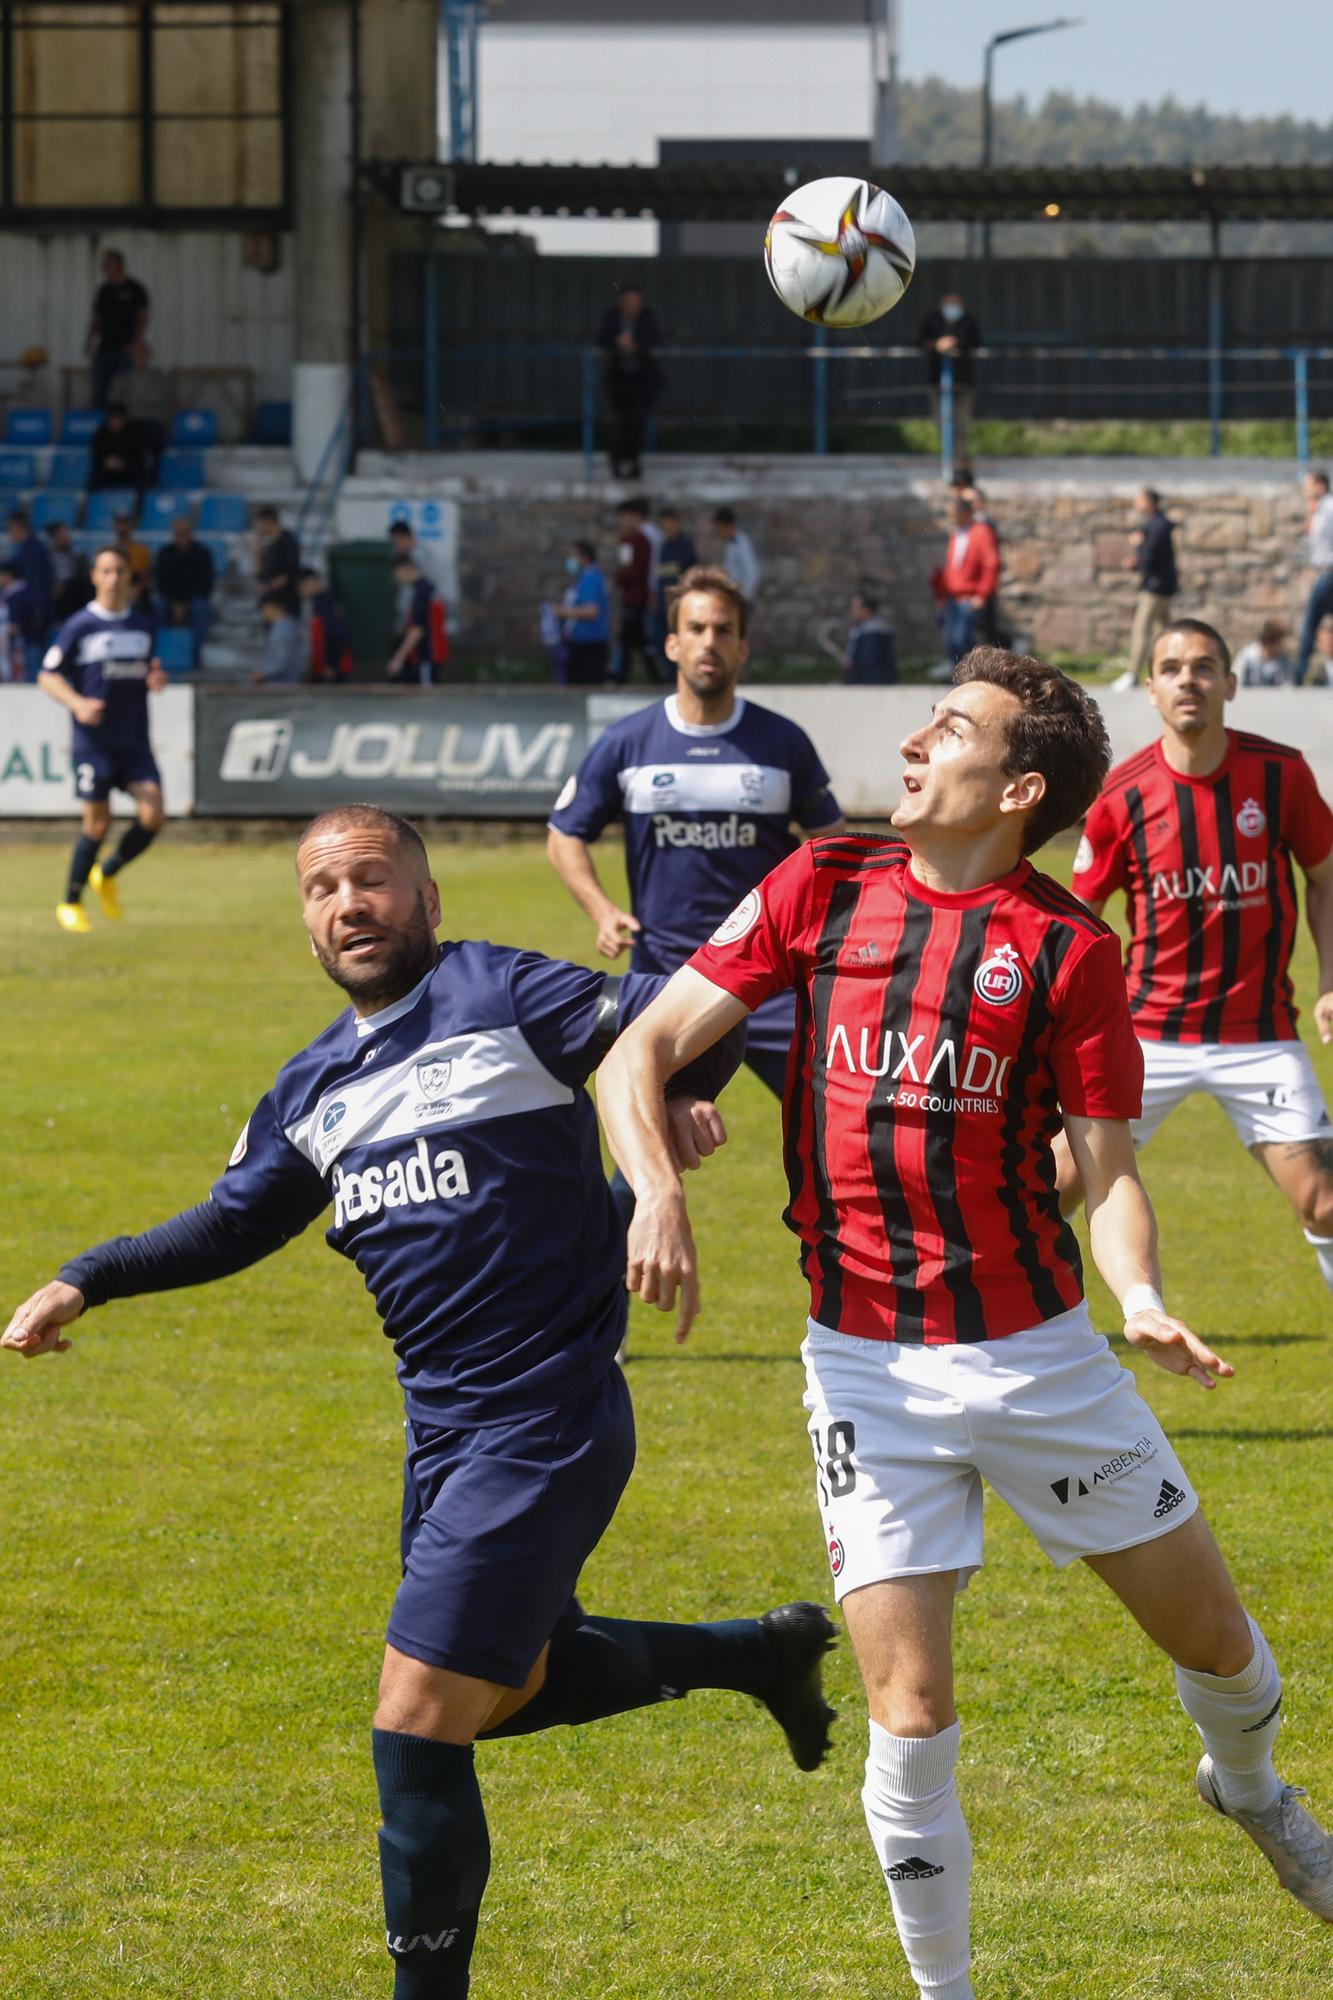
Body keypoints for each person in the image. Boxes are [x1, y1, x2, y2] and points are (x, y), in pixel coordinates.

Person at [1, 802, 837, 1999]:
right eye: (323, 886)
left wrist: (657, 1119)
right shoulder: (312, 1086)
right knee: (505, 1691)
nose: (350, 903)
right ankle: (757, 1652)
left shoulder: (501, 991)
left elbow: (679, 1021)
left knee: (416, 1716)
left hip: (547, 1416)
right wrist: (88, 1274)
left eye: (375, 879)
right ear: (304, 917)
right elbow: (235, 1221)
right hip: (442, 1429)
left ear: (427, 897)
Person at [597, 647, 1333, 2000]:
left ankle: (1248, 1789)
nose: (918, 743)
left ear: (1021, 785)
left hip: (1041, 1362)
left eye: (952, 728)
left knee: (1220, 1652)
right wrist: (653, 1190)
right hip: (862, 1372)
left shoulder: (1067, 950)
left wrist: (1146, 1299)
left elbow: (1106, 1171)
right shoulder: (822, 882)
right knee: (910, 1714)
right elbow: (636, 1050)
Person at [1064, 616, 1333, 1299]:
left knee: (1325, 1203)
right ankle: (1017, 1345)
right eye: (1172, 668)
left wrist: (1331, 979)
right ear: (1150, 689)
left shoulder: (1279, 775)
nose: (1189, 678)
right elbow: (1074, 921)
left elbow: (1325, 876)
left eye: (1205, 666)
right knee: (1049, 1189)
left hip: (1260, 1036)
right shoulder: (1121, 794)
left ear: (1230, 684)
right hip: (1144, 1038)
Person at [547, 562, 845, 1108]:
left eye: (724, 630)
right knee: (647, 1141)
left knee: (833, 1125)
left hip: (773, 979)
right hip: (668, 978)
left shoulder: (783, 743)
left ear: (742, 647)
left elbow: (832, 847)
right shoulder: (627, 742)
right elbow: (565, 833)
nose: (710, 641)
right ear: (672, 644)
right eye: (697, 628)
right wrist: (601, 910)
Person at [37, 545, 165, 934]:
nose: (112, 579)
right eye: (105, 571)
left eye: (119, 571)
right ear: (94, 576)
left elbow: (150, 671)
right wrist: (77, 703)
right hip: (93, 743)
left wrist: (155, 680)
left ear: (130, 577)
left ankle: (106, 872)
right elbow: (48, 675)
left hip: (135, 740)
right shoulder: (80, 625)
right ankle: (70, 902)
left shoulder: (143, 625)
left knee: (154, 816)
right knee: (97, 824)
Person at [1112, 488, 1179, 692]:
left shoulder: (1157, 525)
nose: (1136, 503)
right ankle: (1171, 670)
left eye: (1139, 499)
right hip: (1162, 585)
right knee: (1164, 631)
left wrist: (1138, 548)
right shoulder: (1156, 524)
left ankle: (1133, 674)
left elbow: (1150, 558)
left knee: (1142, 630)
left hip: (1155, 587)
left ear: (1149, 502)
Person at [597, 280, 662, 479]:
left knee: (637, 423)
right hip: (618, 380)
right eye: (629, 302)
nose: (633, 306)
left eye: (636, 302)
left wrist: (636, 346)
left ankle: (633, 463)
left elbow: (655, 340)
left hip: (642, 380)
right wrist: (617, 342)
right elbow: (601, 339)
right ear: (621, 303)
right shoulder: (612, 318)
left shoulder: (647, 317)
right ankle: (618, 462)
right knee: (619, 423)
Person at [916, 292, 982, 465]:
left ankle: (958, 462)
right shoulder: (932, 320)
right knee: (942, 423)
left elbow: (976, 341)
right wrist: (937, 345)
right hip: (938, 382)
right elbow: (920, 342)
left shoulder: (968, 321)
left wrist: (956, 342)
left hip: (963, 382)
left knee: (961, 426)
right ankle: (949, 461)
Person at [932, 495, 999, 666]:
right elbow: (952, 568)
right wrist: (941, 595)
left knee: (962, 639)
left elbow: (991, 563)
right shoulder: (957, 535)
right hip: (952, 597)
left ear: (964, 513)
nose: (951, 518)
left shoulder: (980, 532)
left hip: (969, 596)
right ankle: (956, 680)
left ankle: (977, 673)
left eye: (953, 514)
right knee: (951, 641)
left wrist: (982, 594)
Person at [85, 248, 150, 412]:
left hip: (126, 349)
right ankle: (100, 428)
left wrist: (137, 341)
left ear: (119, 265)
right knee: (100, 390)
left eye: (108, 264)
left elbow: (142, 316)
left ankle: (125, 429)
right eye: (104, 265)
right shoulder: (104, 290)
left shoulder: (135, 288)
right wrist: (89, 340)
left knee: (124, 392)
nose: (104, 268)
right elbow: (96, 317)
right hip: (105, 348)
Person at [608, 496, 662, 686]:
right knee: (635, 639)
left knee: (631, 638)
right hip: (631, 596)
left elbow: (640, 569)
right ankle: (651, 675)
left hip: (640, 596)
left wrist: (620, 578)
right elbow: (625, 566)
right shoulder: (628, 539)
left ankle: (621, 675)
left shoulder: (644, 539)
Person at [154, 514, 215, 664]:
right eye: (178, 533)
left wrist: (185, 604)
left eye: (185, 533)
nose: (182, 537)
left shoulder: (203, 553)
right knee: (159, 605)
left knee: (200, 608)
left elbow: (206, 584)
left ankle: (194, 656)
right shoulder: (164, 553)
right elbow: (160, 582)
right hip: (170, 600)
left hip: (194, 599)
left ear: (191, 533)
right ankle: (160, 654)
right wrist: (175, 603)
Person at [1296, 470, 1333, 685]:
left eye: (1308, 484)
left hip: (1329, 573)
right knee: (1312, 625)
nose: (1305, 490)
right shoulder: (1318, 509)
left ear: (1321, 485)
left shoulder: (1329, 507)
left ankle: (1299, 675)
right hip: (1324, 572)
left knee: (1310, 624)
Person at [387, 554, 448, 685]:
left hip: (427, 655)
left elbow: (417, 629)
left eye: (396, 574)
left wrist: (398, 658)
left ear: (405, 569)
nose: (397, 579)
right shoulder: (430, 589)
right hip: (433, 653)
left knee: (426, 699)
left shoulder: (421, 594)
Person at [557, 539, 610, 686]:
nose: (570, 561)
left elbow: (592, 611)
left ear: (584, 558)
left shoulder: (590, 578)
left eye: (573, 556)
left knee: (586, 688)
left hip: (589, 643)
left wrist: (563, 612)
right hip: (583, 642)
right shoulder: (585, 578)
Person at [8, 507, 54, 678]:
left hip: (34, 616)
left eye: (11, 529)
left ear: (19, 527)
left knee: (36, 658)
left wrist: (37, 613)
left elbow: (36, 585)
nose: (10, 534)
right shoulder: (28, 548)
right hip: (34, 613)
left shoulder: (32, 550)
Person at [821, 589, 897, 685]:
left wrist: (850, 663)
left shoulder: (873, 632)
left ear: (866, 611)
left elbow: (868, 664)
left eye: (855, 607)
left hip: (873, 683)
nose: (852, 611)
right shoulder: (865, 629)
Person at [653, 504, 697, 646]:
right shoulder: (665, 546)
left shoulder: (685, 544)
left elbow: (688, 571)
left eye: (668, 524)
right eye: (663, 525)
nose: (666, 528)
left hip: (679, 599)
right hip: (663, 601)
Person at [300, 565, 353, 681]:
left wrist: (329, 664)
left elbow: (335, 635)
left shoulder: (324, 604)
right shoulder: (320, 602)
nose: (301, 591)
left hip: (331, 668)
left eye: (302, 586)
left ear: (310, 582)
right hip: (324, 665)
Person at [89, 400, 148, 495]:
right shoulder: (101, 434)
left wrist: (124, 464)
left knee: (142, 478)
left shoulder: (135, 434)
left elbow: (139, 457)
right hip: (107, 472)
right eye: (112, 419)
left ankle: (138, 507)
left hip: (129, 472)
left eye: (118, 419)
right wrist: (106, 463)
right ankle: (94, 506)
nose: (115, 422)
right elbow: (96, 456)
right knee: (93, 480)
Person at [255, 506, 301, 619]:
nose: (258, 528)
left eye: (259, 524)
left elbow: (290, 573)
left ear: (268, 521)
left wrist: (268, 587)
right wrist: (256, 549)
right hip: (270, 606)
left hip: (284, 605)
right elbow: (259, 573)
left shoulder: (288, 541)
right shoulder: (271, 546)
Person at [48, 520, 93, 625]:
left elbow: (86, 581)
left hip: (75, 596)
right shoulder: (45, 557)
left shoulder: (79, 556)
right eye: (61, 536)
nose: (66, 538)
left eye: (67, 535)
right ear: (54, 538)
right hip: (54, 598)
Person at [712, 506, 759, 602]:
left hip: (741, 598)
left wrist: (744, 596)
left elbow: (752, 573)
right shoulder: (729, 544)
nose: (719, 533)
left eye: (719, 529)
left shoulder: (741, 543)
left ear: (727, 526)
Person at [1233, 618, 1297, 688]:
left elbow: (1288, 688)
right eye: (1282, 641)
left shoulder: (1285, 662)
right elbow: (1238, 687)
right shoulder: (1247, 658)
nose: (1285, 645)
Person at [252, 598, 304, 684]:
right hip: (292, 682)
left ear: (271, 607)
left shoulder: (281, 631)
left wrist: (261, 673)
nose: (262, 613)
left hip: (281, 686)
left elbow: (281, 663)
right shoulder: (292, 624)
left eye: (263, 609)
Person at [111, 509, 153, 604]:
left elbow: (145, 576)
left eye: (125, 523)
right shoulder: (108, 553)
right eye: (119, 523)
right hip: (115, 591)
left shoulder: (142, 551)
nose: (122, 527)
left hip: (136, 593)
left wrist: (136, 590)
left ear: (130, 526)